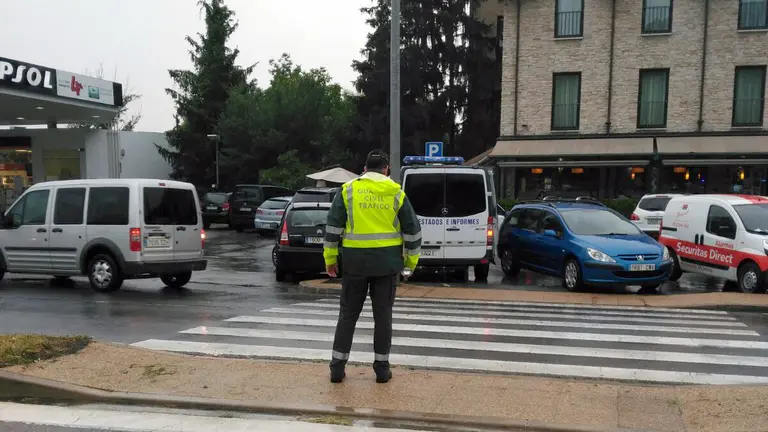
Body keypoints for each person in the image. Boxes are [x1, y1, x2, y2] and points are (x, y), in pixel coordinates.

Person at [323, 150, 422, 384]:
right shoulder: (395, 192)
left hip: (354, 263)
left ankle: (337, 368)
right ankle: (382, 370)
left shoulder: (348, 190)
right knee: (383, 316)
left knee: (348, 315)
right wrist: (410, 263)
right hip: (387, 265)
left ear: (365, 168)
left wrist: (330, 259)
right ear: (386, 170)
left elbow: (333, 228)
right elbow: (413, 231)